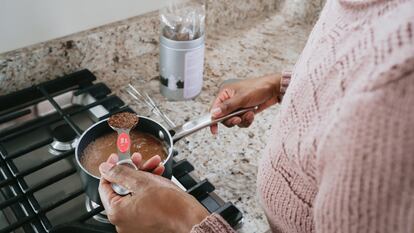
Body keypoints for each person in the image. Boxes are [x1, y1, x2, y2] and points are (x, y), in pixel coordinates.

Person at [98, 0, 414, 232]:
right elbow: (354, 67)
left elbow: (382, 94)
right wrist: (282, 84)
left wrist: (181, 218)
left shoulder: (401, 86)